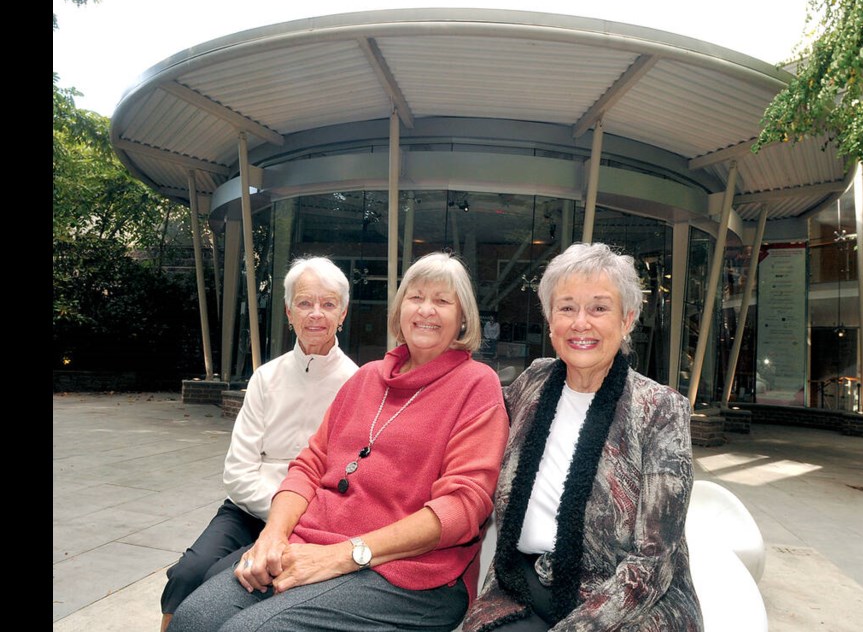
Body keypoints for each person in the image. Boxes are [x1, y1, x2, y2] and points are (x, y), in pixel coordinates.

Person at [167, 251, 510, 632]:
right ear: (399, 310)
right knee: (193, 618)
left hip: (410, 575)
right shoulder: (365, 379)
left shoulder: (476, 385)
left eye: (442, 300)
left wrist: (342, 556)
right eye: (416, 297)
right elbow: (308, 466)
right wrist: (272, 536)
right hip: (312, 545)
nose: (426, 309)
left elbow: (461, 507)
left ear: (463, 318)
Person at [462, 242, 704, 631]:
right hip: (521, 587)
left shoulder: (659, 409)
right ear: (550, 317)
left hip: (629, 603)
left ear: (627, 320)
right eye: (567, 307)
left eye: (599, 308)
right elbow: (465, 419)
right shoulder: (531, 384)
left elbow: (655, 558)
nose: (581, 323)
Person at [159, 256, 359, 631]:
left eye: (328, 304)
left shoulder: (357, 384)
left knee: (224, 577)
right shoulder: (266, 378)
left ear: (343, 313)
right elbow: (237, 470)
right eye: (304, 303)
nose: (316, 313)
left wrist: (289, 522)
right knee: (188, 572)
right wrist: (276, 516)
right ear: (288, 311)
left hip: (309, 519)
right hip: (247, 508)